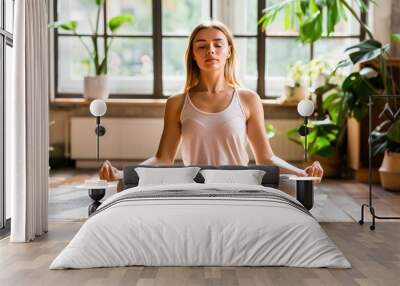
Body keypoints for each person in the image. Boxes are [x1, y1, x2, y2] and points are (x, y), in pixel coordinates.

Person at [99, 20, 323, 183]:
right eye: (202, 46)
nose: (211, 51)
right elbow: (163, 159)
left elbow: (265, 157)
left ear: (228, 51)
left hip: (240, 187)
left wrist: (301, 173)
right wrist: (121, 174)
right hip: (195, 188)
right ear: (194, 56)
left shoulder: (248, 99)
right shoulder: (177, 103)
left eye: (218, 44)